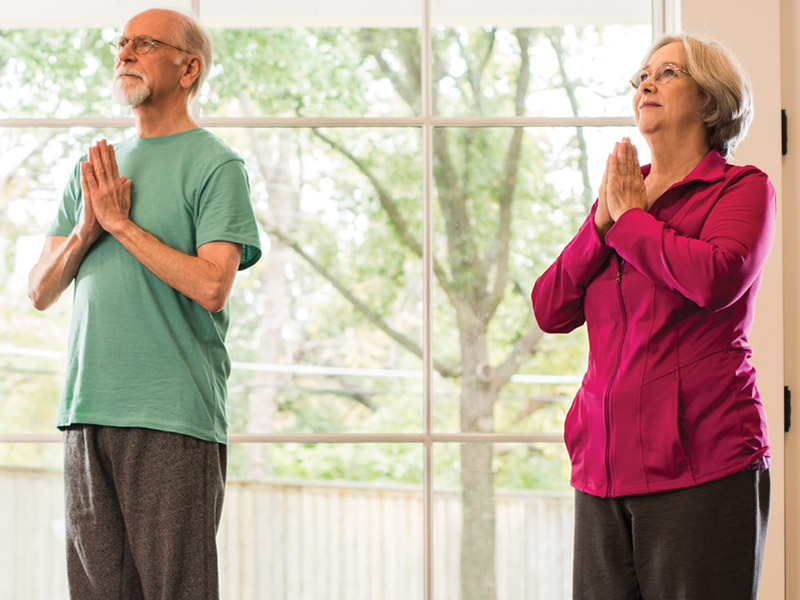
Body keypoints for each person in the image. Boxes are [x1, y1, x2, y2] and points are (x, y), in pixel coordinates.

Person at [27, 8, 261, 599]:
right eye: (122, 42)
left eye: (145, 43)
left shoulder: (216, 165)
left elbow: (213, 285)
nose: (125, 53)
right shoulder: (93, 170)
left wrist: (122, 227)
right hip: (87, 412)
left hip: (172, 416)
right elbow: (39, 291)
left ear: (189, 69)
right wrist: (87, 229)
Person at [531, 33, 774, 599]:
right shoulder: (619, 197)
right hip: (602, 468)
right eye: (642, 74)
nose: (647, 83)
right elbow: (550, 308)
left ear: (711, 100)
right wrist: (600, 225)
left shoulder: (742, 189)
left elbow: (714, 280)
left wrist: (630, 222)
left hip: (703, 464)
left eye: (668, 73)